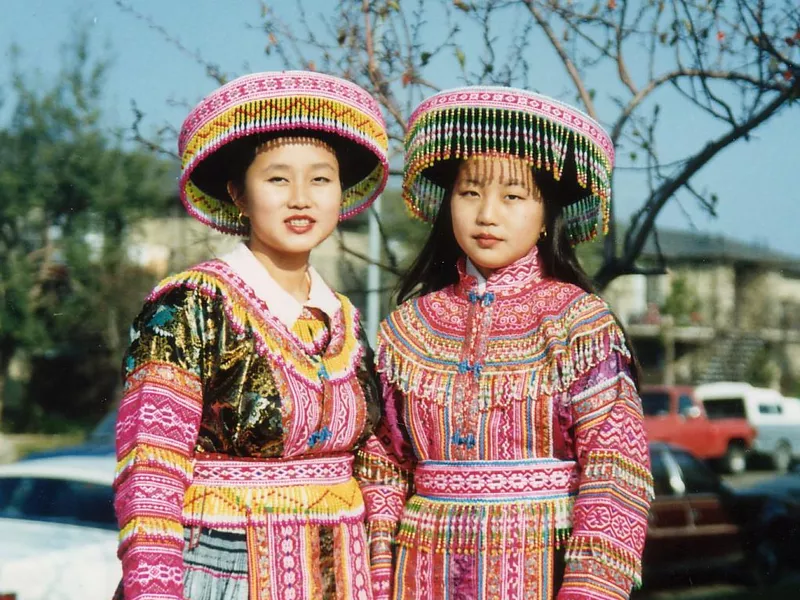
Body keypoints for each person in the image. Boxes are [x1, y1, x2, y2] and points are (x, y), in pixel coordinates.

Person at [361, 87, 654, 599]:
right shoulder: (409, 327)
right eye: (469, 192)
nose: (486, 214)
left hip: (545, 571)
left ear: (547, 215)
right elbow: (383, 465)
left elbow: (616, 473)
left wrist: (590, 590)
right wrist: (379, 578)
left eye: (513, 196)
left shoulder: (578, 324)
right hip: (421, 574)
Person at [113, 71, 391, 600]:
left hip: (343, 574)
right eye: (278, 179)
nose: (301, 199)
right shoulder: (189, 304)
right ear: (238, 193)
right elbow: (150, 469)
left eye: (321, 179)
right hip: (222, 570)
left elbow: (374, 462)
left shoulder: (347, 320)